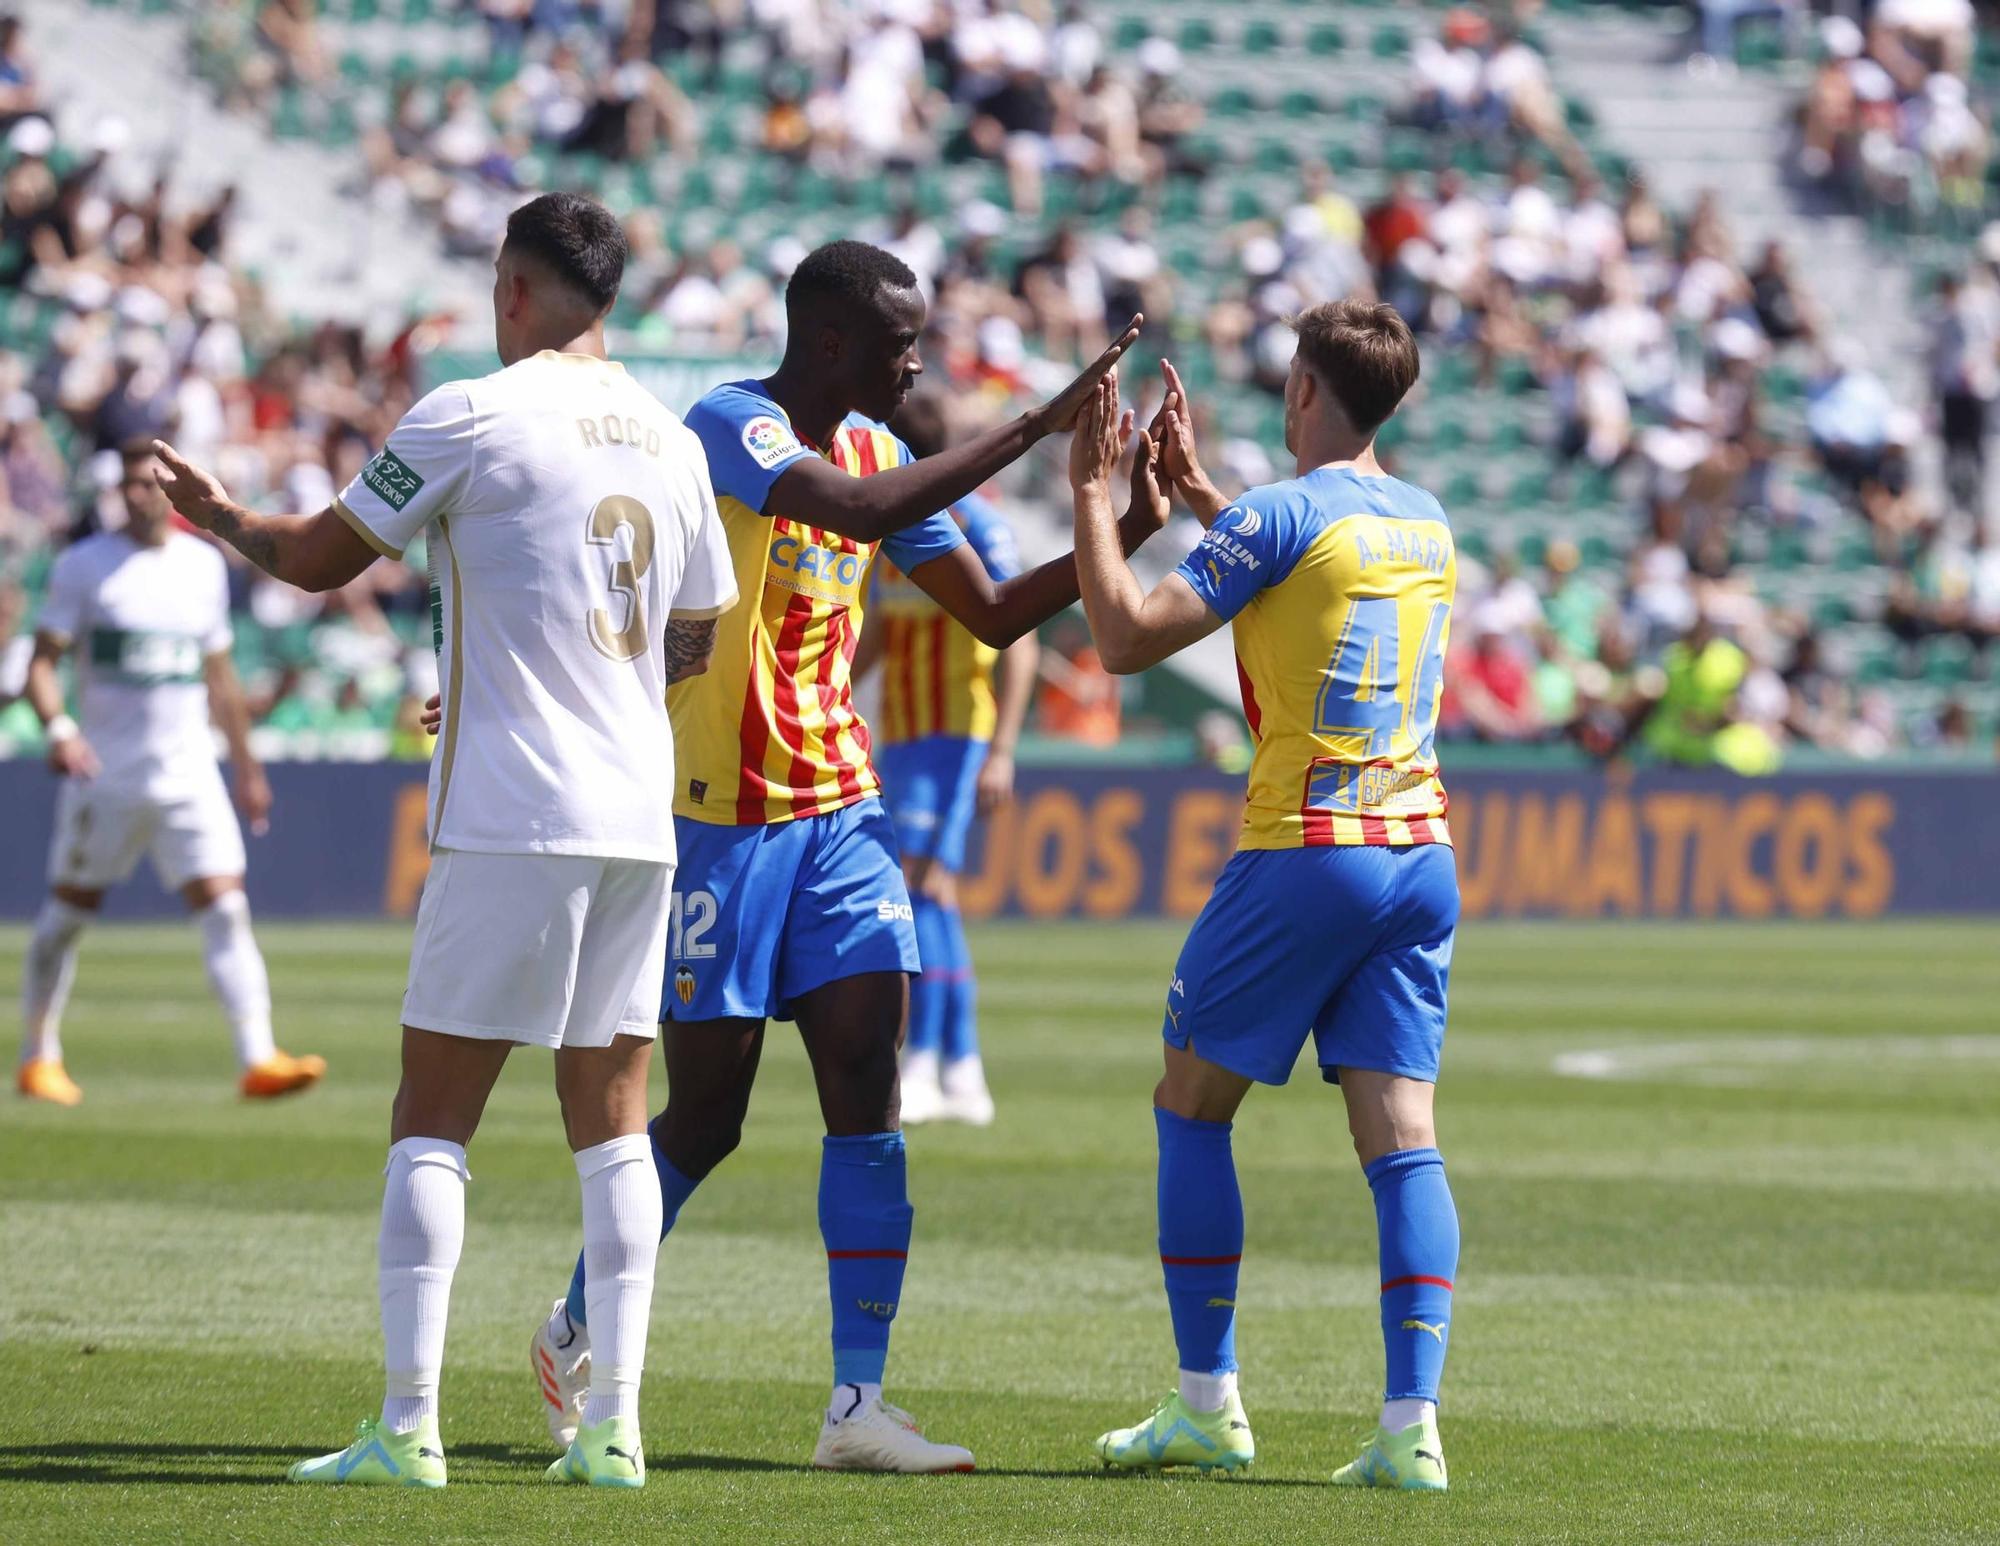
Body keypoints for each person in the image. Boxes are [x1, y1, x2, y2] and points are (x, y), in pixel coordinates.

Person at [529, 240, 1156, 1474]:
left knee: (868, 1091)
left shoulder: (877, 450)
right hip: (717, 821)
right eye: (897, 342)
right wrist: (1031, 427)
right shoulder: (732, 428)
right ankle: (573, 1323)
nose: (914, 361)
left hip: (841, 815)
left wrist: (1123, 512)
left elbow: (985, 610)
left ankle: (855, 1405)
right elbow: (854, 513)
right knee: (706, 1119)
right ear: (828, 346)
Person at [151, 191, 737, 1490]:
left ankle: (409, 1424)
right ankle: (615, 1429)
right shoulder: (673, 439)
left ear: (513, 289)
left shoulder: (471, 410)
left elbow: (316, 558)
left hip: (514, 810)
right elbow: (691, 634)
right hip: (640, 816)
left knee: (434, 1115)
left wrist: (220, 517)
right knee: (617, 1119)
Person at [1067, 303, 1463, 1490]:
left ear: (1300, 391)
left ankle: (1206, 1402)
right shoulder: (1424, 519)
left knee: (1190, 1101)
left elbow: (1127, 639)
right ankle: (1410, 1428)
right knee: (1401, 1137)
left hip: (1306, 844)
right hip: (1418, 853)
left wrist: (1094, 493)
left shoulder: (1287, 513)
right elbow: (1308, 573)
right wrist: (1200, 500)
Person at [19, 441, 318, 1107]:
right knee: (68, 917)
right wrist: (61, 730)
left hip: (189, 774)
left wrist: (247, 768)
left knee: (226, 909)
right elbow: (40, 664)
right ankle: (38, 1056)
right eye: (126, 485)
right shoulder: (84, 567)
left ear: (169, 492)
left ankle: (258, 1056)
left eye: (147, 484)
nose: (136, 495)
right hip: (107, 775)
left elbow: (220, 677)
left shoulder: (202, 567)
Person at [862, 392, 1040, 1126]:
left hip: (957, 735)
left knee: (924, 889)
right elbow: (876, 631)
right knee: (933, 895)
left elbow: (1019, 638)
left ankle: (930, 1060)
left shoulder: (975, 526)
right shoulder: (884, 532)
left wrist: (1002, 749)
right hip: (901, 736)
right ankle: (960, 1065)